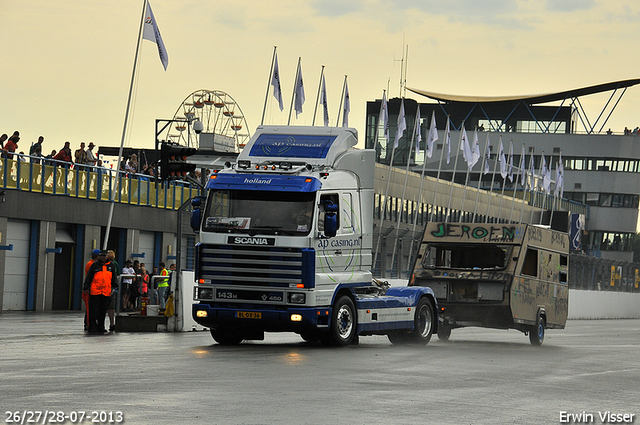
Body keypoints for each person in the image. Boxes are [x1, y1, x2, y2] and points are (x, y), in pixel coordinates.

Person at [83, 250, 117, 334]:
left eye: (104, 256)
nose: (102, 257)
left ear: (107, 256)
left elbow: (114, 278)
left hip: (106, 292)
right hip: (95, 291)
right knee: (93, 311)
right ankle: (92, 327)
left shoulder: (111, 266)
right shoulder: (94, 265)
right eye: (101, 256)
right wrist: (86, 287)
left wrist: (115, 287)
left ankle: (101, 327)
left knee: (103, 311)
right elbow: (89, 276)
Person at [83, 249, 100, 331]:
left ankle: (90, 323)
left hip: (93, 287)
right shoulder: (91, 264)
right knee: (89, 308)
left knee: (92, 307)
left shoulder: (91, 263)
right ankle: (88, 324)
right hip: (91, 288)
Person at [106, 250, 120, 331]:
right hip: (104, 288)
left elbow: (118, 274)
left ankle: (112, 323)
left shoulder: (115, 264)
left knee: (111, 306)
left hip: (111, 288)